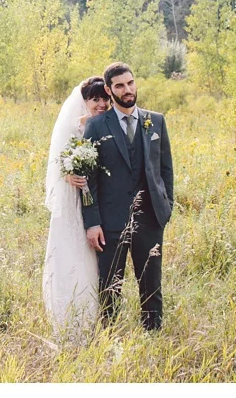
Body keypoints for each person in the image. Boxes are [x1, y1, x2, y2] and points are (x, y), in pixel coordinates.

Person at [81, 62, 174, 331]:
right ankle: (109, 338)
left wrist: (166, 208)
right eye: (120, 85)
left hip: (151, 218)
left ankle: (153, 334)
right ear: (110, 91)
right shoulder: (97, 126)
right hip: (110, 222)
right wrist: (92, 222)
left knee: (151, 283)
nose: (128, 89)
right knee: (110, 285)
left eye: (130, 83)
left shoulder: (155, 120)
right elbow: (90, 180)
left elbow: (165, 168)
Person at [42, 76, 111, 342]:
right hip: (74, 201)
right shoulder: (72, 127)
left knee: (92, 260)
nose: (101, 103)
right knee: (71, 252)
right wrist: (68, 175)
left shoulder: (105, 122)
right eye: (95, 99)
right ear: (84, 101)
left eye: (104, 98)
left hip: (99, 202)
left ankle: (93, 315)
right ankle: (68, 315)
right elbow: (59, 161)